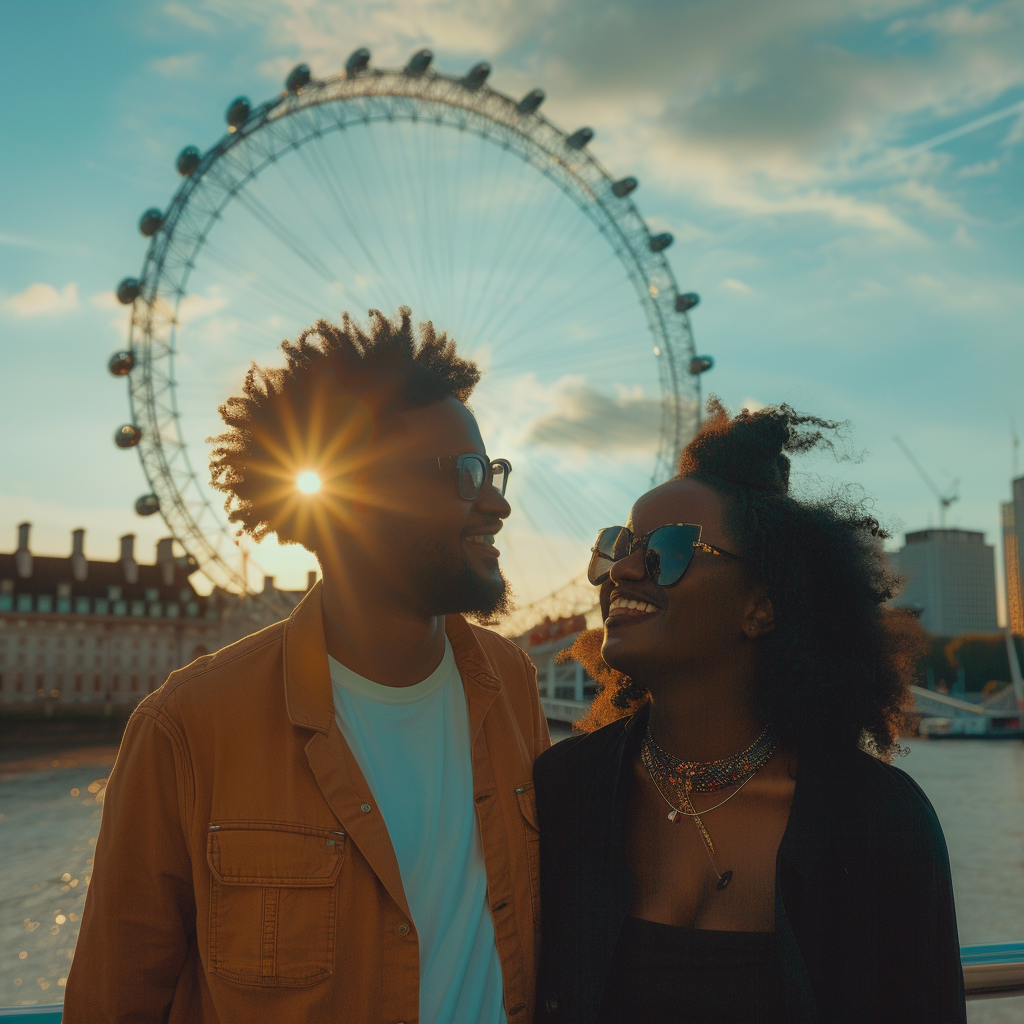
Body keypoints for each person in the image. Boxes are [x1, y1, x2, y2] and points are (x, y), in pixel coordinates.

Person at [64, 308, 549, 1024]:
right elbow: (116, 999)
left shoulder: (510, 683)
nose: (497, 502)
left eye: (495, 469)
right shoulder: (188, 727)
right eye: (467, 474)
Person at [533, 399, 966, 1024]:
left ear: (760, 606)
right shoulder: (564, 791)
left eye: (670, 550)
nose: (621, 571)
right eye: (617, 545)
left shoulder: (876, 821)